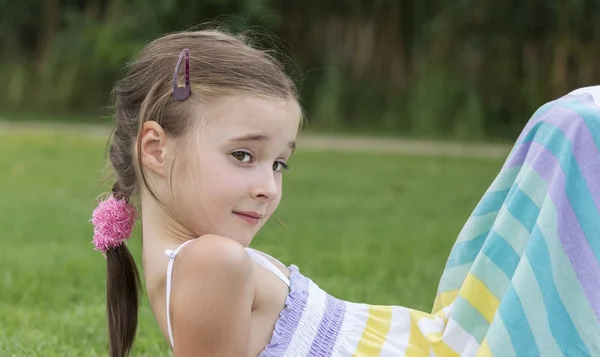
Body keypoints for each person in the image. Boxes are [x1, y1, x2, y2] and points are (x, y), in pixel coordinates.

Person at [91, 29, 600, 357]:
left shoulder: (202, 262)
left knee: (571, 126)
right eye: (243, 156)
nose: (268, 188)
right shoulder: (210, 262)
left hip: (441, 343)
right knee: (575, 124)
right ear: (155, 149)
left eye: (279, 162)